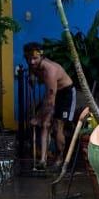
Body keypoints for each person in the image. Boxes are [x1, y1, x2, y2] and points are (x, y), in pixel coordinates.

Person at [25, 43, 80, 171]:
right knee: (45, 125)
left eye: (35, 59)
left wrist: (37, 117)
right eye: (29, 58)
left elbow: (50, 101)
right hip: (52, 92)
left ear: (42, 57)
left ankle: (60, 158)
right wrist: (32, 77)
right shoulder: (33, 64)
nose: (31, 61)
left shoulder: (50, 70)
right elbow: (32, 70)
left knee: (57, 126)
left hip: (65, 94)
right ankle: (43, 160)